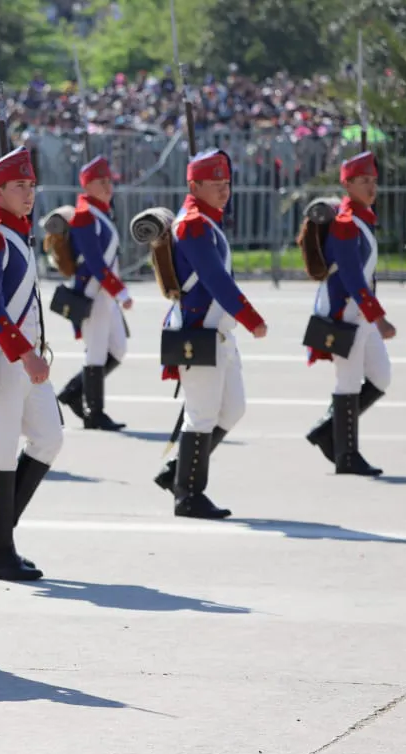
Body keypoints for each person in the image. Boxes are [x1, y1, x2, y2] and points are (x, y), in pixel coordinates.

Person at [153, 149, 267, 519]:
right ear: (194, 185)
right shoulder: (195, 224)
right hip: (198, 332)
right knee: (201, 416)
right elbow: (216, 279)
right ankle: (188, 494)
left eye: (226, 183)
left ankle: (178, 472)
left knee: (233, 408)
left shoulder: (207, 220)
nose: (224, 190)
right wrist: (251, 318)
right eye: (215, 184)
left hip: (217, 331)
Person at [0, 147, 60, 582]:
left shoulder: (17, 231)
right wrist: (24, 351)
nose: (28, 192)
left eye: (30, 185)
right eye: (18, 186)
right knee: (0, 450)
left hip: (23, 358)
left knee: (49, 438)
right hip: (2, 357)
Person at [305, 151, 396, 475]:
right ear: (347, 184)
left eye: (373, 180)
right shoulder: (345, 224)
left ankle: (327, 430)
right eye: (363, 181)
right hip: (346, 312)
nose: (372, 186)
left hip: (361, 313)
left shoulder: (361, 218)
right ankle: (347, 455)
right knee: (348, 381)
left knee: (381, 377)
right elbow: (352, 276)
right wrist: (379, 316)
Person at [53, 155, 132, 430]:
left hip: (105, 293)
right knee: (96, 353)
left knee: (118, 349)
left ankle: (74, 392)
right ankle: (95, 413)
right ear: (87, 185)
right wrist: (120, 292)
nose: (109, 186)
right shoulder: (86, 215)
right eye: (102, 182)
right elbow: (95, 261)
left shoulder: (100, 212)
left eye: (109, 181)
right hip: (92, 293)